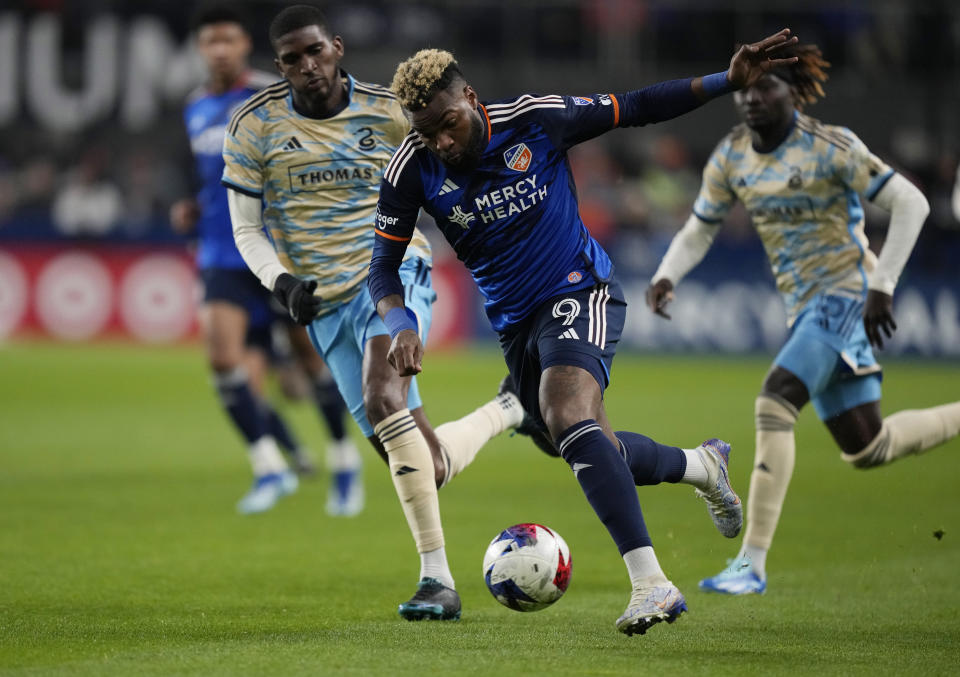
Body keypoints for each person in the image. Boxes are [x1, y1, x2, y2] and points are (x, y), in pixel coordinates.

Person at [368, 33, 800, 636]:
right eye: (427, 132)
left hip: (580, 289)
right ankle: (702, 466)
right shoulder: (412, 169)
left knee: (568, 414)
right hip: (516, 326)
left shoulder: (537, 121)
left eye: (448, 123)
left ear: (470, 98)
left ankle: (652, 584)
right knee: (585, 443)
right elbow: (382, 267)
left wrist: (727, 81)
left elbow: (637, 104)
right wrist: (400, 322)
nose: (442, 141)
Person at [222, 5, 523, 621]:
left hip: (394, 277)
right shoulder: (253, 127)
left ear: (335, 47)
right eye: (291, 59)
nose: (307, 66)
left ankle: (436, 581)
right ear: (277, 66)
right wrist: (279, 281)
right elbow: (245, 230)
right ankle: (511, 407)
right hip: (322, 305)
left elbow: (454, 167)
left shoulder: (391, 111)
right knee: (422, 463)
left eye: (315, 51)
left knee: (385, 399)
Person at [646, 43, 960, 595]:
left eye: (767, 87)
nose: (753, 98)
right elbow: (700, 226)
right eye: (747, 88)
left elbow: (912, 203)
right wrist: (667, 273)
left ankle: (752, 562)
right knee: (868, 446)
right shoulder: (732, 156)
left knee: (775, 400)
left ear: (795, 92)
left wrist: (882, 285)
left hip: (845, 295)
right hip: (806, 308)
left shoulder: (831, 148)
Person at [171, 3, 361, 516]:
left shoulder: (270, 96)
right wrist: (188, 205)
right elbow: (200, 174)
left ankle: (344, 459)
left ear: (244, 47)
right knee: (221, 360)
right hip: (219, 250)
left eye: (228, 40)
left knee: (307, 357)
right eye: (210, 41)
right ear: (199, 49)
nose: (219, 50)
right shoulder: (193, 107)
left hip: (278, 248)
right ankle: (270, 467)